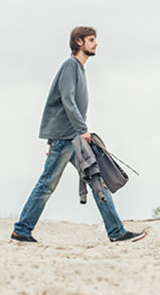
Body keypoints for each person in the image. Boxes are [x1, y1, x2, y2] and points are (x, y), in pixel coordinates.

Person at [11, 27, 145, 243]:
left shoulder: (79, 69)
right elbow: (67, 100)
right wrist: (81, 130)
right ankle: (21, 230)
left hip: (71, 137)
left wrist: (71, 133)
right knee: (47, 184)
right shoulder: (70, 66)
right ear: (79, 42)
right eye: (92, 40)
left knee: (97, 181)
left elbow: (65, 106)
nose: (96, 43)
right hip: (67, 138)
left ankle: (116, 231)